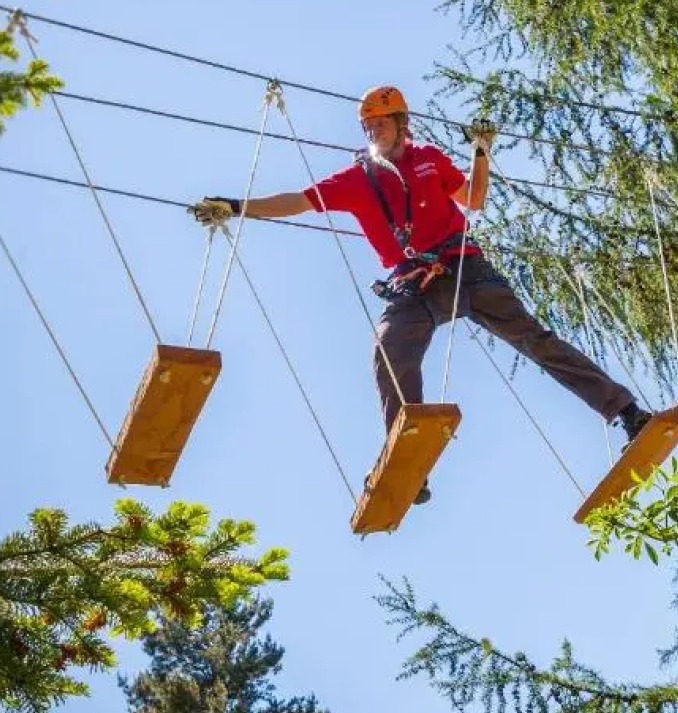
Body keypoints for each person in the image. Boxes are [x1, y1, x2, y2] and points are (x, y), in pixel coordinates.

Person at [192, 84, 654, 504]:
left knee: (535, 340)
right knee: (389, 353)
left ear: (402, 124)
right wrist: (236, 207)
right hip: (413, 285)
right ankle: (408, 462)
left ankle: (628, 412)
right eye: (368, 125)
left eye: (382, 122)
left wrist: (480, 151)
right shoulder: (355, 180)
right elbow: (297, 201)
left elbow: (471, 199)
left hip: (465, 268)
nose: (374, 130)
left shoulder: (430, 158)